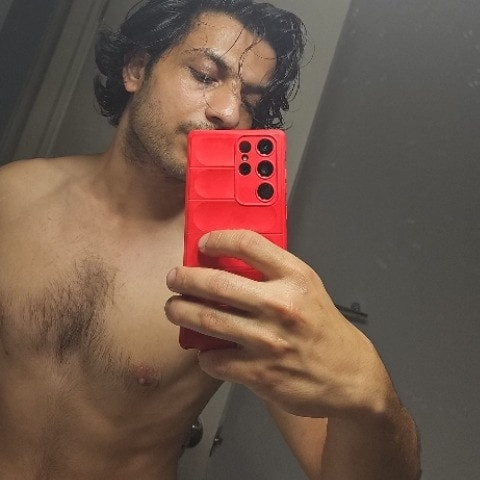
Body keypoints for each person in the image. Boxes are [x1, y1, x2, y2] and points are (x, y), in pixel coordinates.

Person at [0, 0, 421, 478]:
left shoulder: (241, 272)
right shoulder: (11, 199)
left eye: (251, 101)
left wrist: (372, 399)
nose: (228, 111)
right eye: (204, 75)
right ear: (136, 68)